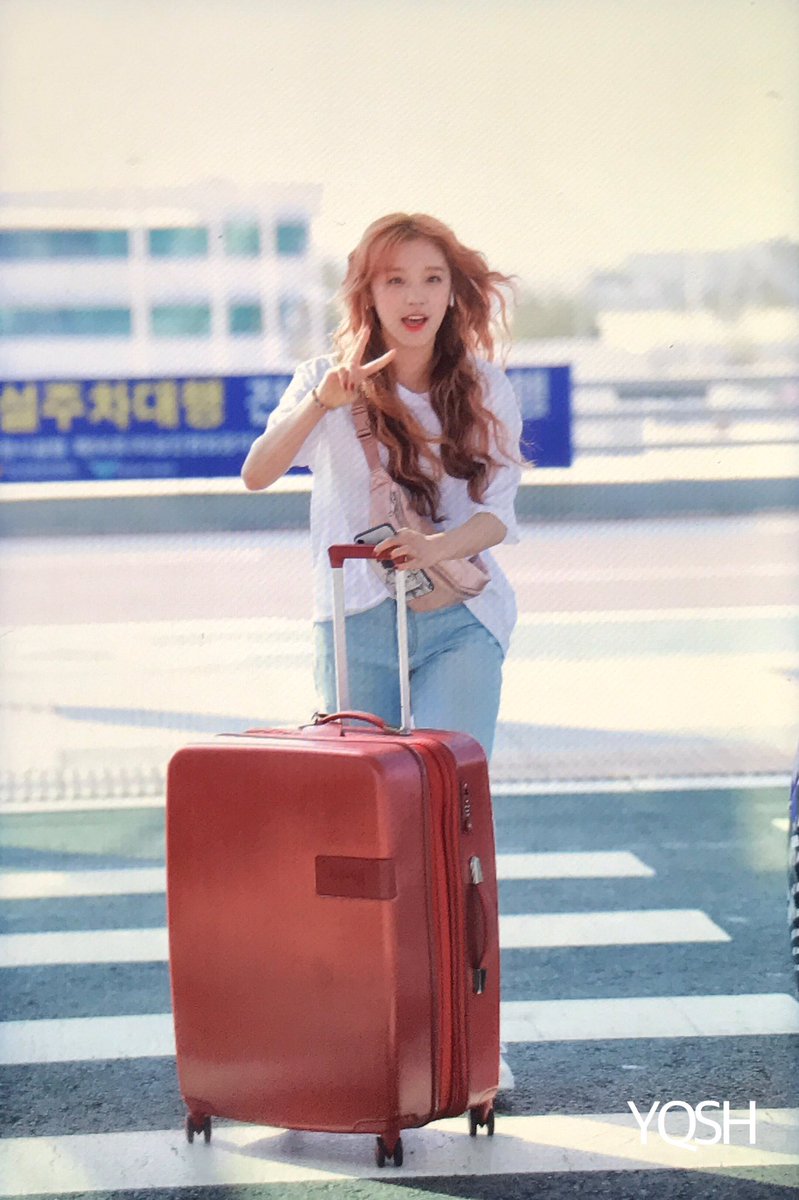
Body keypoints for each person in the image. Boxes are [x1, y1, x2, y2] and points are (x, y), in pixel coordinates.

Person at [241, 212, 522, 761]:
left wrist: (433, 548)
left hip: (460, 616)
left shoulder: (485, 387)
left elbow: (497, 516)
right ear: (367, 292)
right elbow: (257, 473)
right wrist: (320, 404)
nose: (415, 297)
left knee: (447, 783)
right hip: (353, 624)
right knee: (369, 796)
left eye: (432, 279)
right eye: (395, 280)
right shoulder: (322, 380)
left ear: (452, 291)